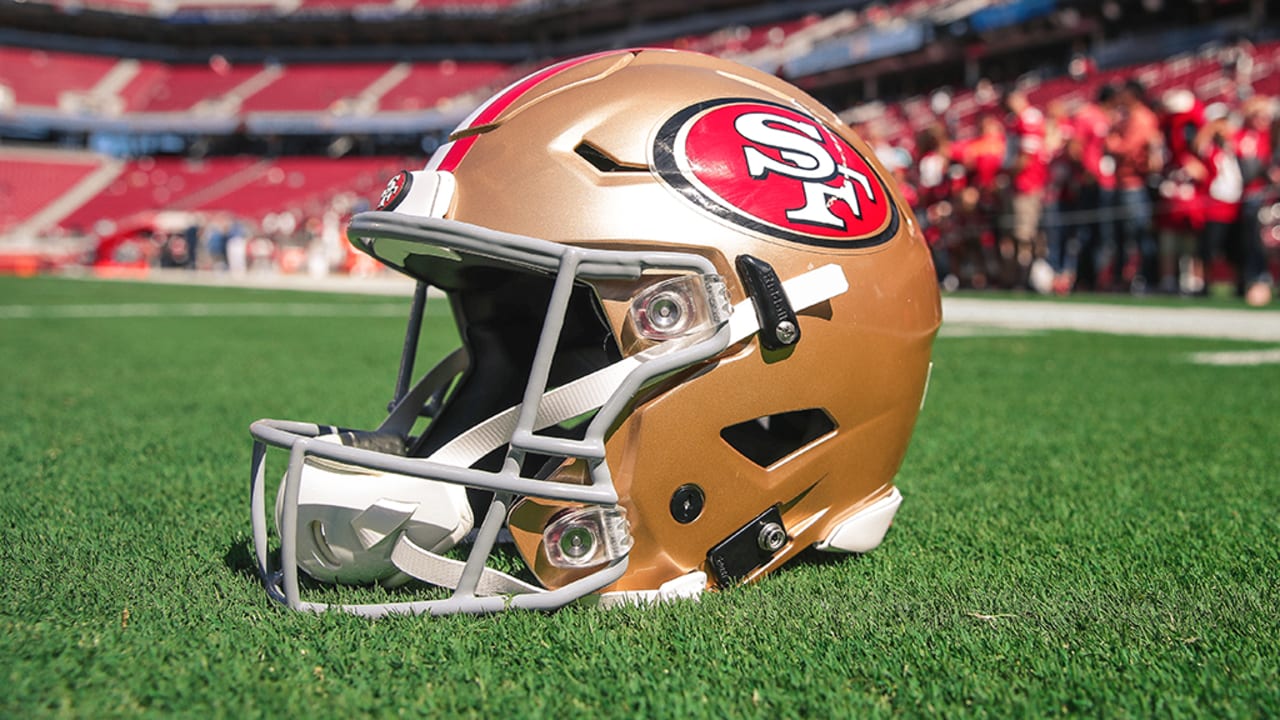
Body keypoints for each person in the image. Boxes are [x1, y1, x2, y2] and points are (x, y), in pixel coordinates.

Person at [1105, 79, 1163, 291]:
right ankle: (1126, 278)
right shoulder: (1129, 116)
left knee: (1137, 234)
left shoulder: (1140, 118)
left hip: (1134, 184)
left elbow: (1126, 148)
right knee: (1124, 235)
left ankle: (1142, 278)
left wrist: (1111, 140)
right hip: (1125, 183)